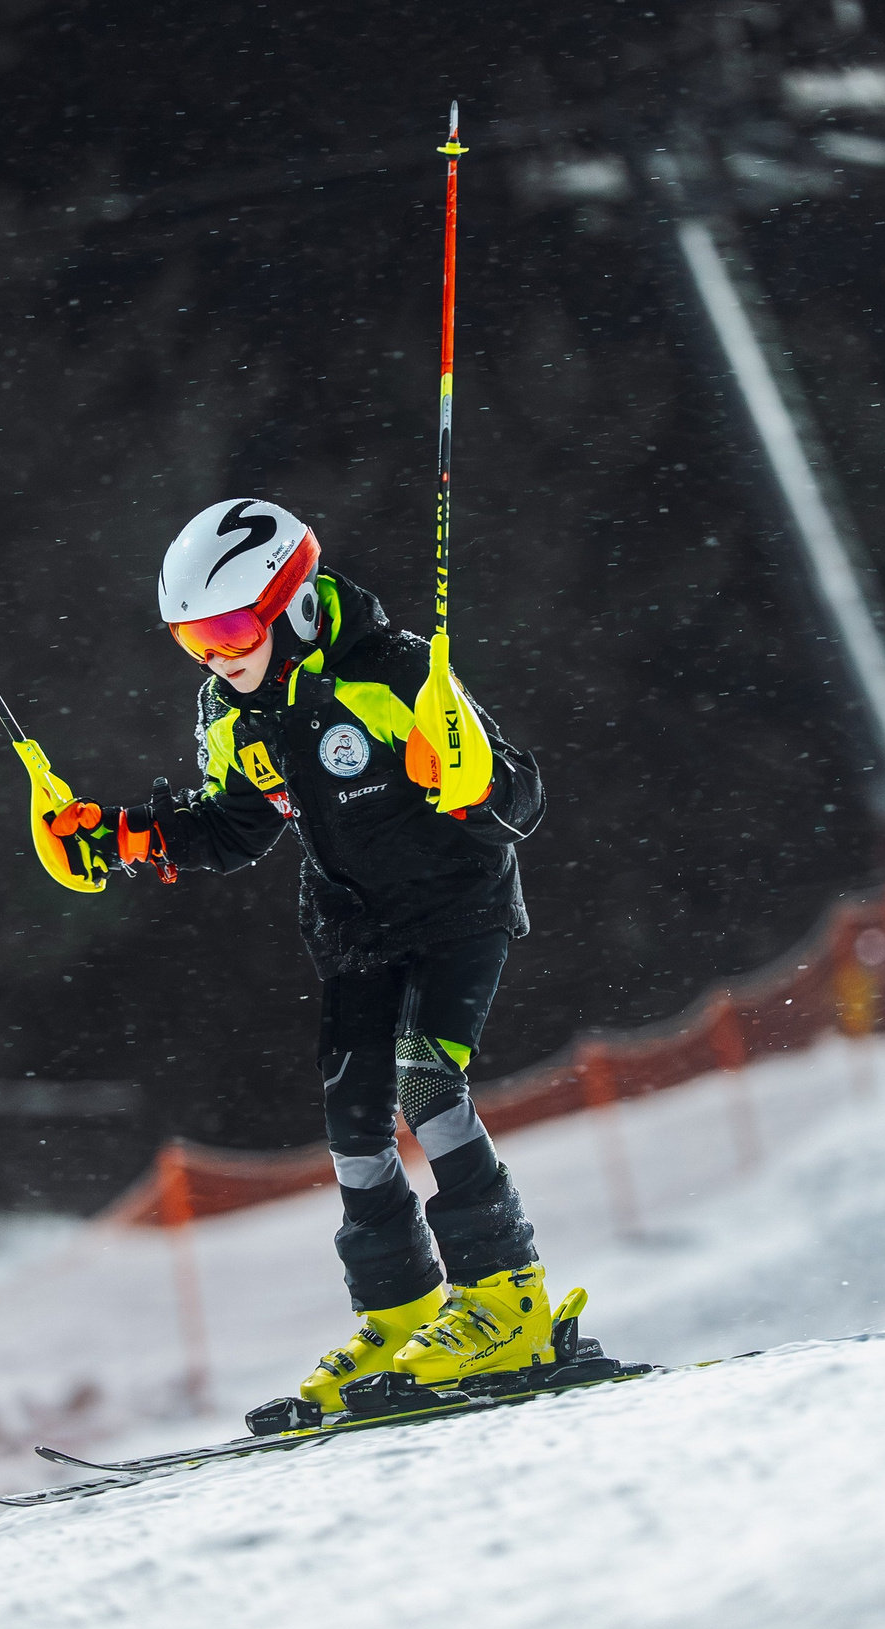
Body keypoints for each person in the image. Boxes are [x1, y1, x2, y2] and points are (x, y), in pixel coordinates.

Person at [47, 498, 556, 1413]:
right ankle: (402, 1311)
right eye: (193, 640)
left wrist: (475, 776)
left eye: (232, 628)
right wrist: (124, 836)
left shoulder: (394, 673)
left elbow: (519, 795)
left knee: (427, 1083)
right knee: (355, 1116)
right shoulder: (233, 711)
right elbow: (233, 827)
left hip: (457, 907)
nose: (217, 655)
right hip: (355, 929)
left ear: (290, 604)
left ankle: (506, 1298)